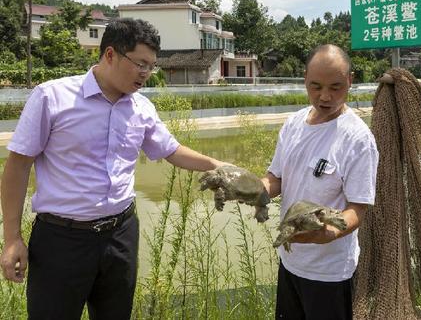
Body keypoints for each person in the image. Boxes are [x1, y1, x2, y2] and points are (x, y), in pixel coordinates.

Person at [0, 18, 229, 320]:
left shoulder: (141, 108)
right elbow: (17, 166)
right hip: (61, 240)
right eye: (140, 64)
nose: (146, 74)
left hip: (120, 235)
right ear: (110, 54)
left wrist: (218, 165)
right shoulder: (51, 97)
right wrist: (12, 238)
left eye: (152, 66)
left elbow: (171, 150)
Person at [261, 44, 379, 320]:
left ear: (350, 81)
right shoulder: (293, 124)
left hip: (331, 273)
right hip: (290, 260)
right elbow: (275, 179)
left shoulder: (358, 139)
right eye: (316, 87)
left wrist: (330, 232)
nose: (325, 96)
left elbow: (358, 209)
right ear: (305, 79)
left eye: (336, 87)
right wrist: (256, 190)